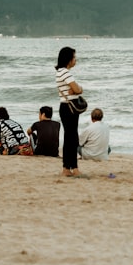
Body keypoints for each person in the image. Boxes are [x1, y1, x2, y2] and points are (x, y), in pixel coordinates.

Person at [55, 46, 83, 176]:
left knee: (70, 137)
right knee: (72, 138)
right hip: (69, 108)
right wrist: (79, 89)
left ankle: (68, 167)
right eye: (74, 57)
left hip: (66, 107)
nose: (75, 60)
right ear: (68, 59)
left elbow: (75, 89)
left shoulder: (60, 72)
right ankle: (71, 168)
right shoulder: (65, 73)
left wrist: (76, 89)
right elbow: (77, 89)